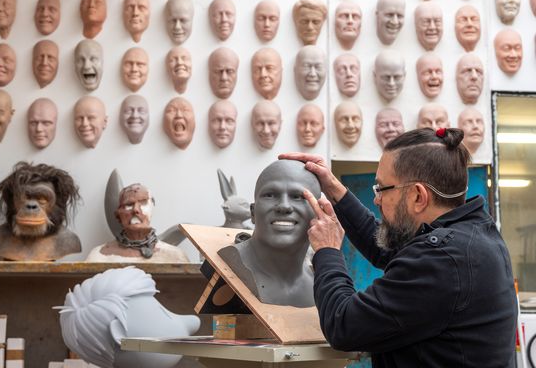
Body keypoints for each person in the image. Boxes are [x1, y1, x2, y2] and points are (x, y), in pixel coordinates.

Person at [280, 127, 517, 366]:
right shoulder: (473, 235)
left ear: (417, 196)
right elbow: (387, 249)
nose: (376, 199)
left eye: (382, 188)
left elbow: (344, 325)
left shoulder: (443, 260)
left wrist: (328, 251)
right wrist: (335, 191)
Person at [218, 159, 321, 307]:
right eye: (270, 195)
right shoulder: (231, 265)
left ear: (319, 215)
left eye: (298, 196)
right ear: (252, 212)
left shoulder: (319, 283)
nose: (284, 206)